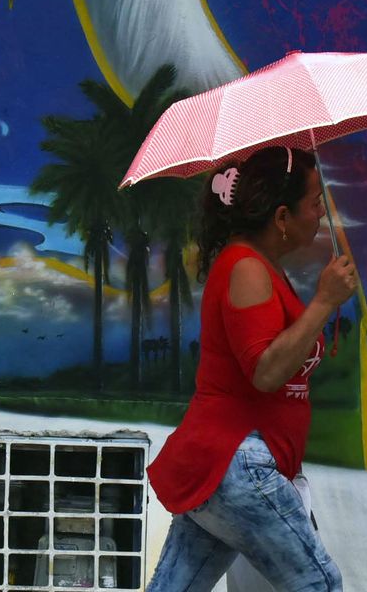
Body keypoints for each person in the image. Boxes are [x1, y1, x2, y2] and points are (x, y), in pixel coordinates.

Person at [145, 146, 356, 592]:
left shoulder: (257, 266)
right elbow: (265, 371)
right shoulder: (246, 268)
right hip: (238, 463)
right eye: (315, 202)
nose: (320, 213)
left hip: (223, 467)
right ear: (282, 216)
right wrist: (323, 302)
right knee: (317, 583)